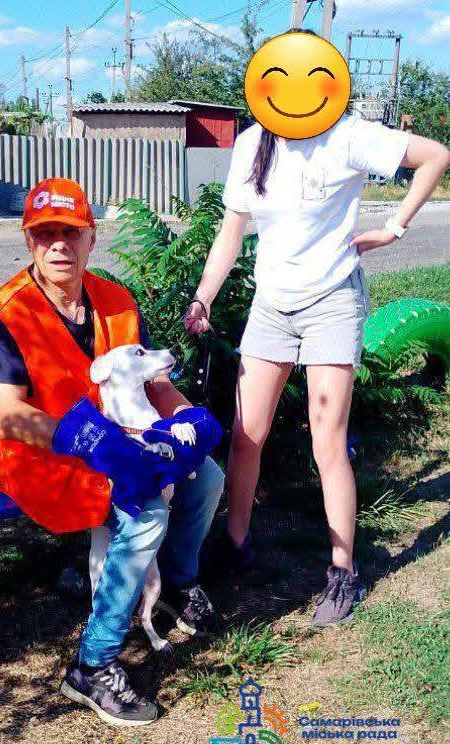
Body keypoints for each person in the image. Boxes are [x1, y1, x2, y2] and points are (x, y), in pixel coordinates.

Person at [185, 52, 450, 626]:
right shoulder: (251, 144)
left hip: (332, 302)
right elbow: (231, 232)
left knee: (326, 441)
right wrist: (204, 297)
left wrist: (393, 228)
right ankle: (235, 545)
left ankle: (342, 571)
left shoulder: (349, 135)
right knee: (246, 435)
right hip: (271, 306)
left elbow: (436, 155)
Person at [0, 178, 225, 726]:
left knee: (207, 477)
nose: (59, 245)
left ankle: (178, 582)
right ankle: (93, 664)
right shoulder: (5, 315)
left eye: (71, 232)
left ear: (91, 238)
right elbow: (9, 415)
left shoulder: (115, 300)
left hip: (121, 442)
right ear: (29, 240)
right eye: (45, 234)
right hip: (41, 455)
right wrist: (93, 444)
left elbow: (154, 380)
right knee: (146, 514)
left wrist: (185, 418)